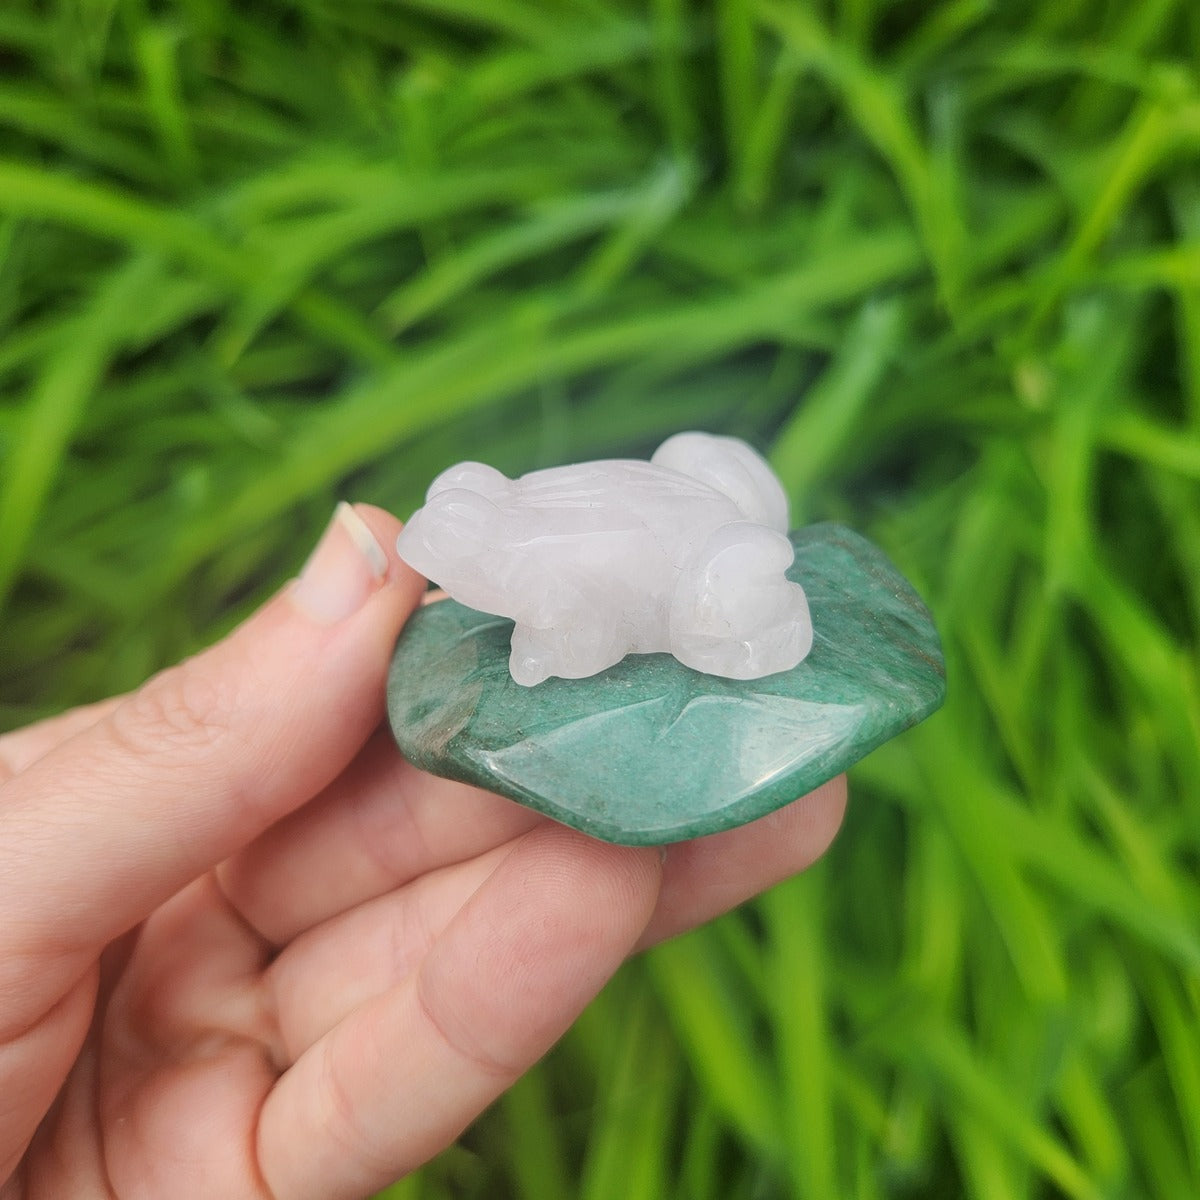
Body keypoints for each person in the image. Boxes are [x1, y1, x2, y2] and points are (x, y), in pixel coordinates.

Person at [0, 503, 846, 1200]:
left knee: (580, 879)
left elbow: (582, 632)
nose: (438, 554)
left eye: (465, 542)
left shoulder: (539, 568)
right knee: (564, 899)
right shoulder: (526, 563)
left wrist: (554, 644)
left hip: (694, 556)